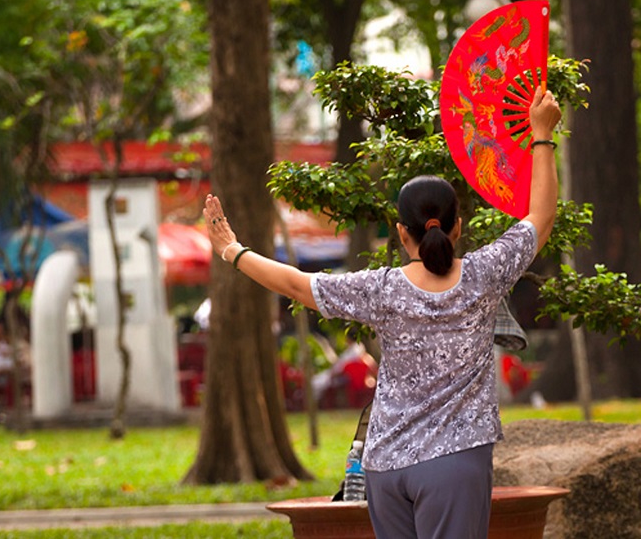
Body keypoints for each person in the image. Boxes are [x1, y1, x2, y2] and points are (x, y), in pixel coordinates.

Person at [203, 87, 561, 538]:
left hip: (386, 466)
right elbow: (541, 217)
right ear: (458, 225)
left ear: (399, 231)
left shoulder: (381, 288)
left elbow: (296, 282)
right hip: (454, 464)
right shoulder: (485, 275)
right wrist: (541, 134)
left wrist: (232, 250)